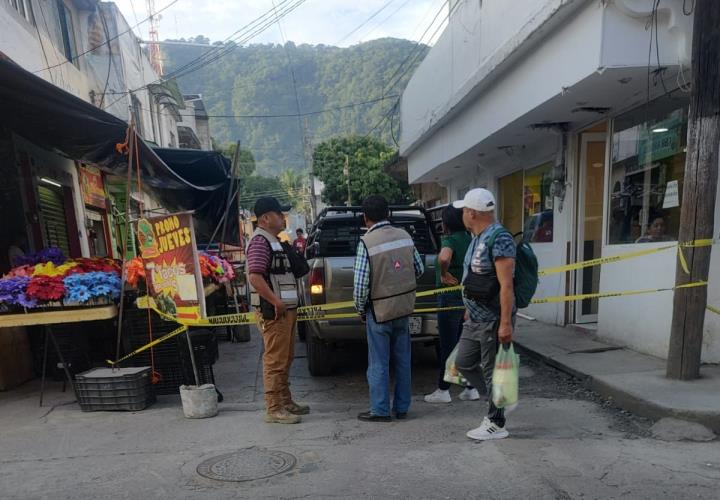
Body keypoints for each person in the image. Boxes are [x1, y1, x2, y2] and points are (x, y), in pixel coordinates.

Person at [353, 195, 424, 422]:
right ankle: (402, 408)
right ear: (388, 213)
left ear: (366, 218)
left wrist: (360, 308)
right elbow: (419, 269)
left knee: (379, 363)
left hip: (379, 312)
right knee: (403, 360)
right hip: (403, 309)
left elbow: (361, 285)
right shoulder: (405, 237)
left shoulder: (366, 242)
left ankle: (380, 410)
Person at [453, 188, 516, 441]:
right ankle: (499, 400)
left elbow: (506, 285)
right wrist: (468, 309)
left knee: (491, 371)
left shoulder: (499, 238)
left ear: (472, 213)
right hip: (475, 317)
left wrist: (504, 323)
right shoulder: (477, 237)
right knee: (464, 363)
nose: (462, 216)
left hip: (492, 318)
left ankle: (496, 422)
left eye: (464, 211)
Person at [247, 196, 309, 424]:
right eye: (278, 214)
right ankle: (274, 408)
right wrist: (275, 301)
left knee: (286, 357)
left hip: (285, 310)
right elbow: (254, 276)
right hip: (275, 311)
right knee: (275, 360)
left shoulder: (274, 240)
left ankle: (285, 401)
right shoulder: (260, 241)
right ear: (265, 218)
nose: (283, 217)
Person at [424, 205, 478, 404]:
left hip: (448, 298)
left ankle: (443, 390)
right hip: (465, 297)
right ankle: (470, 388)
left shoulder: (450, 239)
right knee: (462, 343)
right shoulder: (468, 238)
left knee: (447, 345)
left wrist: (444, 273)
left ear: (446, 223)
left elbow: (444, 257)